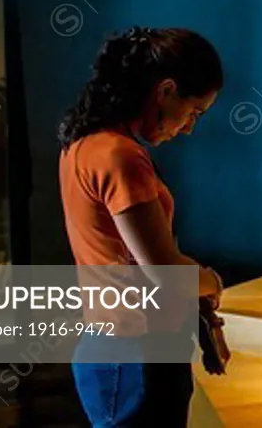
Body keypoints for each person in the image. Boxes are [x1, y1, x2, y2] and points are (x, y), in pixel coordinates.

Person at [57, 26, 225, 427]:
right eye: (194, 111)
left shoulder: (83, 144)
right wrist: (211, 281)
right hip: (137, 354)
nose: (189, 127)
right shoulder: (120, 155)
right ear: (165, 91)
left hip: (113, 348)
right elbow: (164, 274)